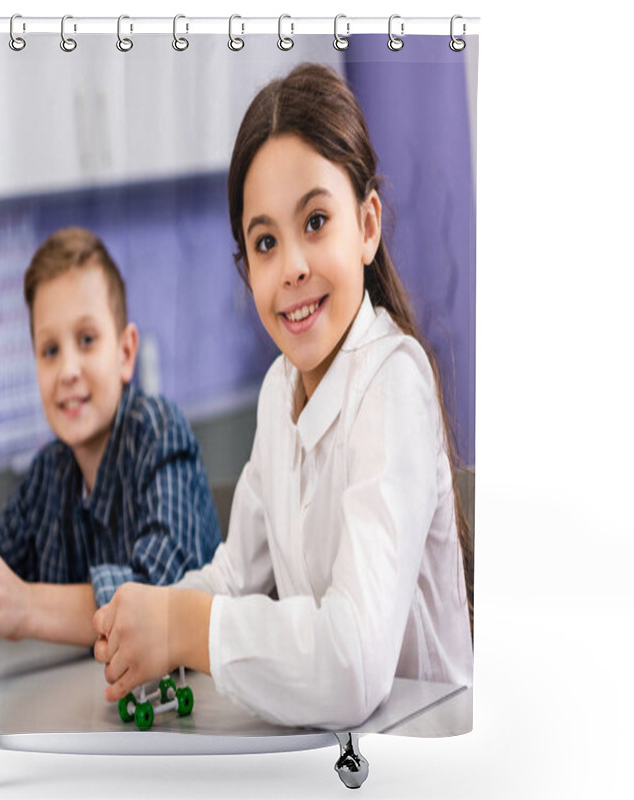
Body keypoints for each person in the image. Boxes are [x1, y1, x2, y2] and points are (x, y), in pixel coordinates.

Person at [92, 64, 474, 730]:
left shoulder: (395, 383)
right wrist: (149, 615)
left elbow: (351, 663)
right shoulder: (278, 395)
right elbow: (234, 576)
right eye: (265, 241)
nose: (291, 265)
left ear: (368, 225)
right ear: (246, 267)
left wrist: (190, 628)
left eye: (316, 221)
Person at [0, 227, 221, 670]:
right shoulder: (49, 471)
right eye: (49, 350)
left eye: (87, 340)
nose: (67, 370)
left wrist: (25, 606)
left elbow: (167, 596)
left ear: (126, 353)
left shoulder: (159, 431)